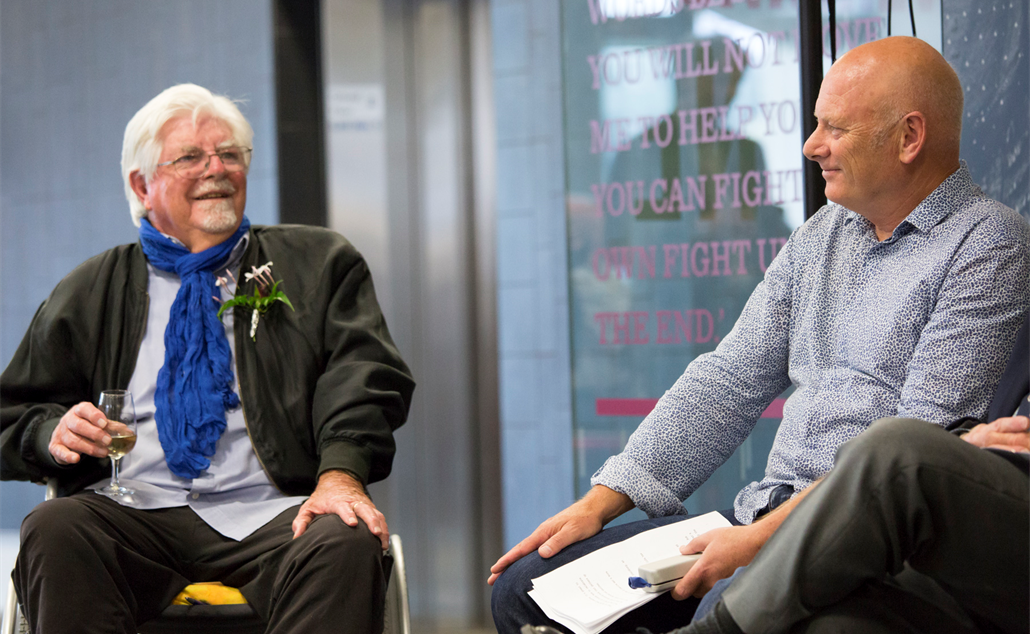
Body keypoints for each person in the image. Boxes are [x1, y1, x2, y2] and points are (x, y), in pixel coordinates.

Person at [489, 36, 1030, 634]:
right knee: (524, 593)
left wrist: (756, 543)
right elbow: (730, 380)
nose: (811, 146)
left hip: (861, 538)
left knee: (738, 607)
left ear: (909, 137)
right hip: (766, 506)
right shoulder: (824, 233)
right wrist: (605, 498)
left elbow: (913, 457)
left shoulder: (988, 245)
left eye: (835, 128)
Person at [0, 84, 415, 634]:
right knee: (55, 527)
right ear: (142, 185)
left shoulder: (318, 263)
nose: (215, 169)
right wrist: (50, 432)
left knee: (343, 537)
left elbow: (363, 377)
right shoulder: (91, 289)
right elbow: (12, 413)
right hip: (133, 514)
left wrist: (340, 475)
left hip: (277, 511)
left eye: (229, 155)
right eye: (191, 157)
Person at [678, 309, 1030, 634]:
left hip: (890, 506)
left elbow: (918, 446)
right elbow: (726, 380)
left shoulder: (988, 247)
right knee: (827, 625)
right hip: (962, 542)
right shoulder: (817, 244)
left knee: (897, 451)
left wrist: (762, 538)